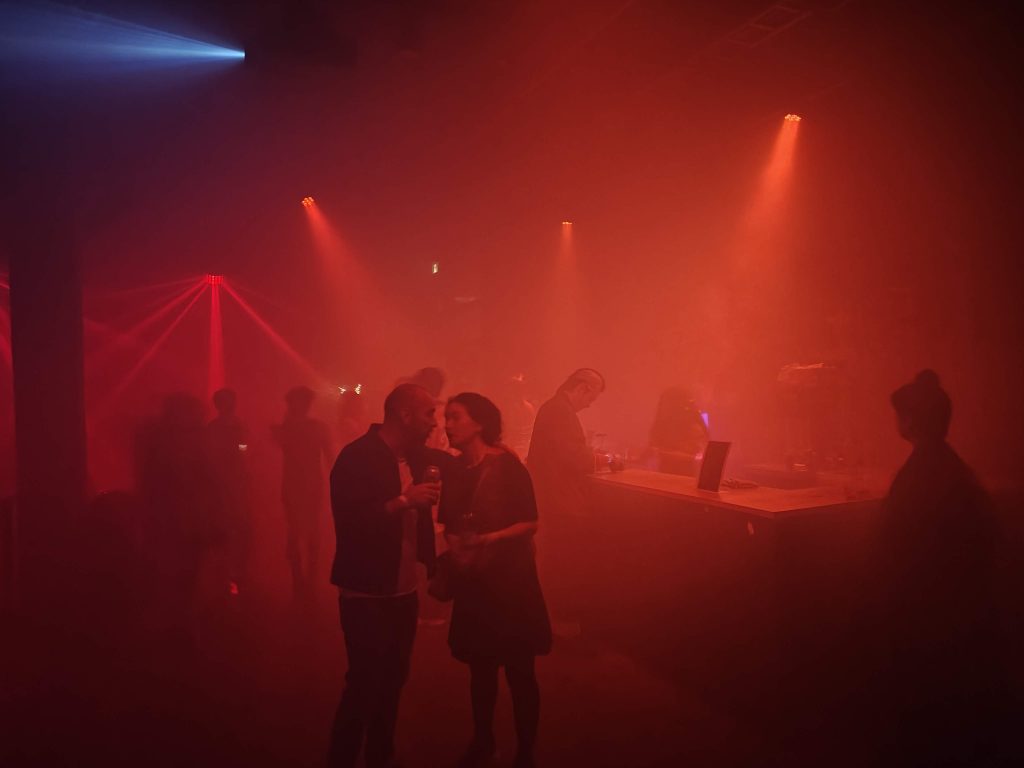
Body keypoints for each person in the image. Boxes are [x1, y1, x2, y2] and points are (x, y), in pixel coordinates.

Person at [879, 369, 1004, 764]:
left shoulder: (922, 475)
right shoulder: (951, 468)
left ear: (911, 420)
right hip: (956, 610)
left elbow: (899, 545)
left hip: (928, 614)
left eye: (901, 414)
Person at [327, 383, 445, 768]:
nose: (435, 422)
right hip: (365, 593)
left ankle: (380, 755)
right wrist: (404, 500)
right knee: (363, 684)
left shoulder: (413, 456)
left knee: (394, 681)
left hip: (403, 592)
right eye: (429, 413)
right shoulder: (357, 457)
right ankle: (341, 759)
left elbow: (460, 463)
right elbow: (352, 522)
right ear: (404, 415)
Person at [440, 393, 551, 768]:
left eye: (455, 417)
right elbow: (449, 522)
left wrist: (487, 540)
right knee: (481, 668)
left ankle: (526, 751)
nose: (447, 425)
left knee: (520, 671)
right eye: (446, 417)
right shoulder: (455, 470)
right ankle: (484, 741)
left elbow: (531, 522)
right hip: (476, 583)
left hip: (511, 583)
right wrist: (457, 546)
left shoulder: (508, 467)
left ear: (480, 423)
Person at [526, 368, 604, 636]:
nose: (590, 403)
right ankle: (561, 622)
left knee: (555, 559)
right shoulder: (560, 412)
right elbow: (574, 458)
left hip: (550, 497)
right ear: (582, 388)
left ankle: (552, 618)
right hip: (560, 501)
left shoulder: (553, 409)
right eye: (592, 396)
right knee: (563, 561)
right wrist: (600, 459)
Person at [272, 386, 332, 600]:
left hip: (301, 485)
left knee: (301, 530)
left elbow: (330, 457)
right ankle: (302, 577)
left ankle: (304, 578)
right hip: (302, 485)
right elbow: (330, 457)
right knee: (300, 531)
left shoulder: (288, 428)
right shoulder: (312, 428)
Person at [204, 388, 252, 594]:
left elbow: (244, 446)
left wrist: (242, 460)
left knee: (238, 525)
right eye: (228, 401)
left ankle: (234, 572)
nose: (232, 404)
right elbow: (211, 452)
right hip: (221, 483)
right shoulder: (214, 428)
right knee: (225, 525)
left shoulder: (233, 425)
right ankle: (225, 572)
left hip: (233, 481)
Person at [648, 386, 708, 476]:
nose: (662, 406)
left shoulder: (693, 424)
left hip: (684, 476)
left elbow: (697, 452)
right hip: (664, 474)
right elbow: (655, 444)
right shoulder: (663, 423)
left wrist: (664, 453)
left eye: (666, 402)